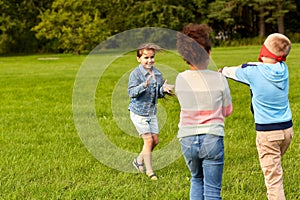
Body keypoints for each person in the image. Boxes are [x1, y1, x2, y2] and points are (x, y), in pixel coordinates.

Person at [219, 33, 294, 200]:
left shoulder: (253, 73)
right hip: (287, 131)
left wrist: (222, 70)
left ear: (264, 50)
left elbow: (233, 72)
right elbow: (256, 66)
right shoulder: (283, 69)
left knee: (274, 180)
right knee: (274, 165)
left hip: (268, 133)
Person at [175, 23, 233, 199]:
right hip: (212, 137)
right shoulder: (219, 79)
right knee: (213, 190)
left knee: (196, 179)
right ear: (208, 53)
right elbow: (228, 111)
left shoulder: (180, 79)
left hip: (187, 139)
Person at [128, 43, 174, 180]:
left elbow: (157, 94)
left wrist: (163, 90)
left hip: (151, 112)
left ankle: (138, 161)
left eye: (152, 57)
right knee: (148, 141)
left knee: (155, 141)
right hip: (138, 113)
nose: (149, 60)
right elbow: (131, 93)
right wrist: (144, 85)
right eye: (146, 57)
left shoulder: (158, 74)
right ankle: (150, 172)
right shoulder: (135, 74)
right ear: (139, 59)